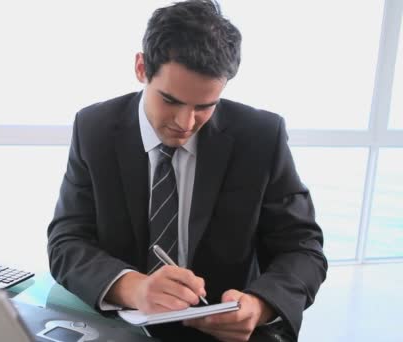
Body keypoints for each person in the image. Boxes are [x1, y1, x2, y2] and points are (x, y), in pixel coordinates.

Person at [47, 1, 327, 341]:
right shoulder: (95, 128)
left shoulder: (261, 136)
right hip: (120, 326)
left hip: (224, 333)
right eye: (170, 100)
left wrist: (260, 306)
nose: (185, 123)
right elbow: (67, 240)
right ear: (140, 68)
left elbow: (303, 249)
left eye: (204, 106)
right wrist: (132, 287)